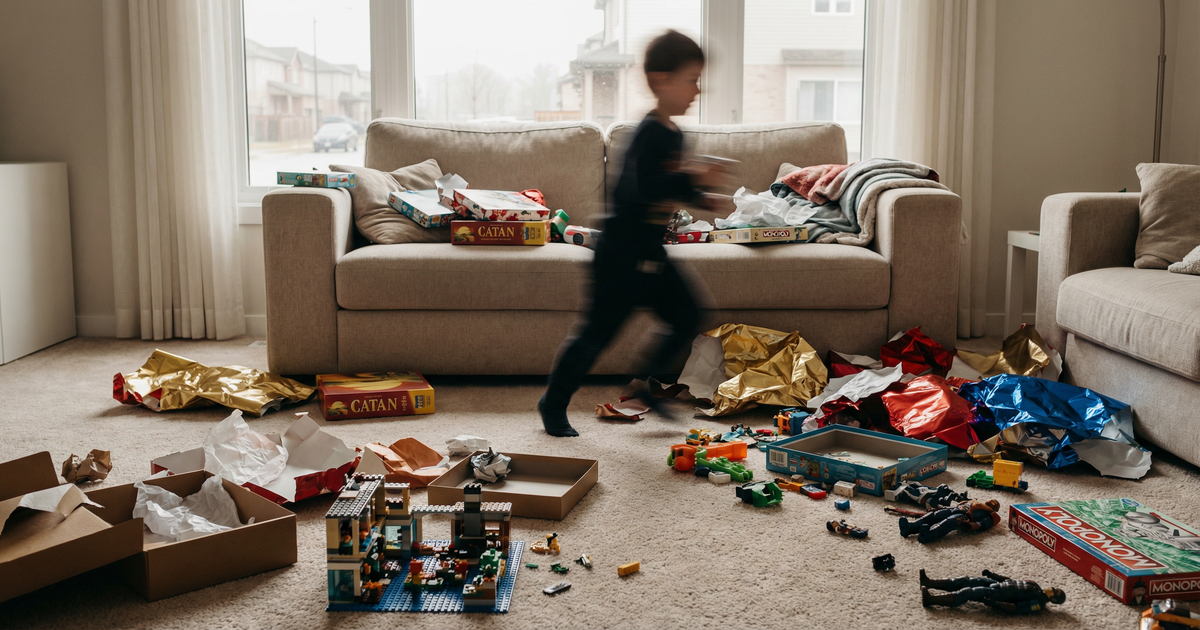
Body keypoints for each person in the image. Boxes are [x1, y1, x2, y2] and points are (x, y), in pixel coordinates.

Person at [538, 30, 725, 437]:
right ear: (661, 80)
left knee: (688, 315)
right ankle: (552, 404)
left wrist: (706, 197)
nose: (697, 89)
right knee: (594, 336)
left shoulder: (674, 134)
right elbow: (641, 188)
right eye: (691, 79)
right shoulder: (648, 133)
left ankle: (646, 386)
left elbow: (673, 189)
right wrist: (690, 173)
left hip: (649, 254)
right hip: (619, 255)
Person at [920, 569, 1067, 613]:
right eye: (1055, 588)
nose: (1052, 589)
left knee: (967, 592)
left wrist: (993, 604)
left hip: (998, 594)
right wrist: (993, 576)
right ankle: (929, 582)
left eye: (1055, 592)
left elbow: (1016, 608)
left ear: (1053, 600)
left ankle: (931, 600)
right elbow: (1010, 580)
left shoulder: (1038, 604)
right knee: (966, 580)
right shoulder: (1035, 585)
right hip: (996, 584)